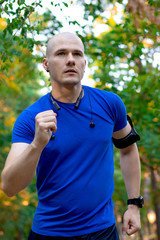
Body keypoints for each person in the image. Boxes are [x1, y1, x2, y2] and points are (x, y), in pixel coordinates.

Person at [1, 32, 143, 240]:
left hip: (103, 231)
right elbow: (9, 187)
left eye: (77, 54)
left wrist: (134, 205)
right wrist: (37, 145)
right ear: (46, 64)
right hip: (50, 233)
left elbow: (128, 149)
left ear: (84, 63)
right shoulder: (31, 118)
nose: (70, 59)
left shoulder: (110, 104)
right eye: (61, 53)